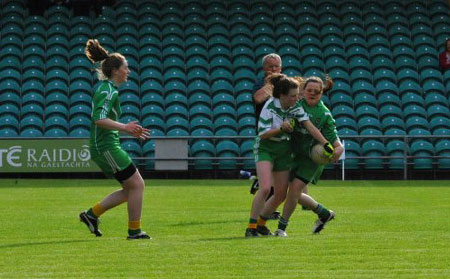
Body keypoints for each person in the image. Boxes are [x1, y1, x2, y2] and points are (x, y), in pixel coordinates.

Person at [245, 74, 334, 237]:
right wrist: (281, 129)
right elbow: (263, 134)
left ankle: (261, 225)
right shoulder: (270, 106)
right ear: (283, 96)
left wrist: (325, 143)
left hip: (284, 150)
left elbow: (310, 127)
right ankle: (251, 228)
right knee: (265, 188)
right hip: (266, 148)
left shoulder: (296, 107)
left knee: (281, 194)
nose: (297, 98)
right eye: (293, 96)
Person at [79, 39, 151, 240]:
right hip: (105, 147)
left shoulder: (107, 89)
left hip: (107, 145)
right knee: (137, 185)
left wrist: (127, 130)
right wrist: (125, 127)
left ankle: (91, 215)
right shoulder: (108, 90)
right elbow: (99, 119)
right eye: (126, 67)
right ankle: (134, 231)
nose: (128, 71)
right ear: (116, 70)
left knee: (131, 189)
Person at [274, 76, 344, 237]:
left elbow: (334, 138)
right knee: (291, 194)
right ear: (303, 91)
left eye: (317, 92)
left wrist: (338, 148)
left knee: (294, 191)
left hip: (311, 160)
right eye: (309, 90)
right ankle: (325, 213)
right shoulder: (295, 105)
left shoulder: (324, 114)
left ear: (322, 93)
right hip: (291, 153)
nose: (312, 94)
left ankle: (281, 229)